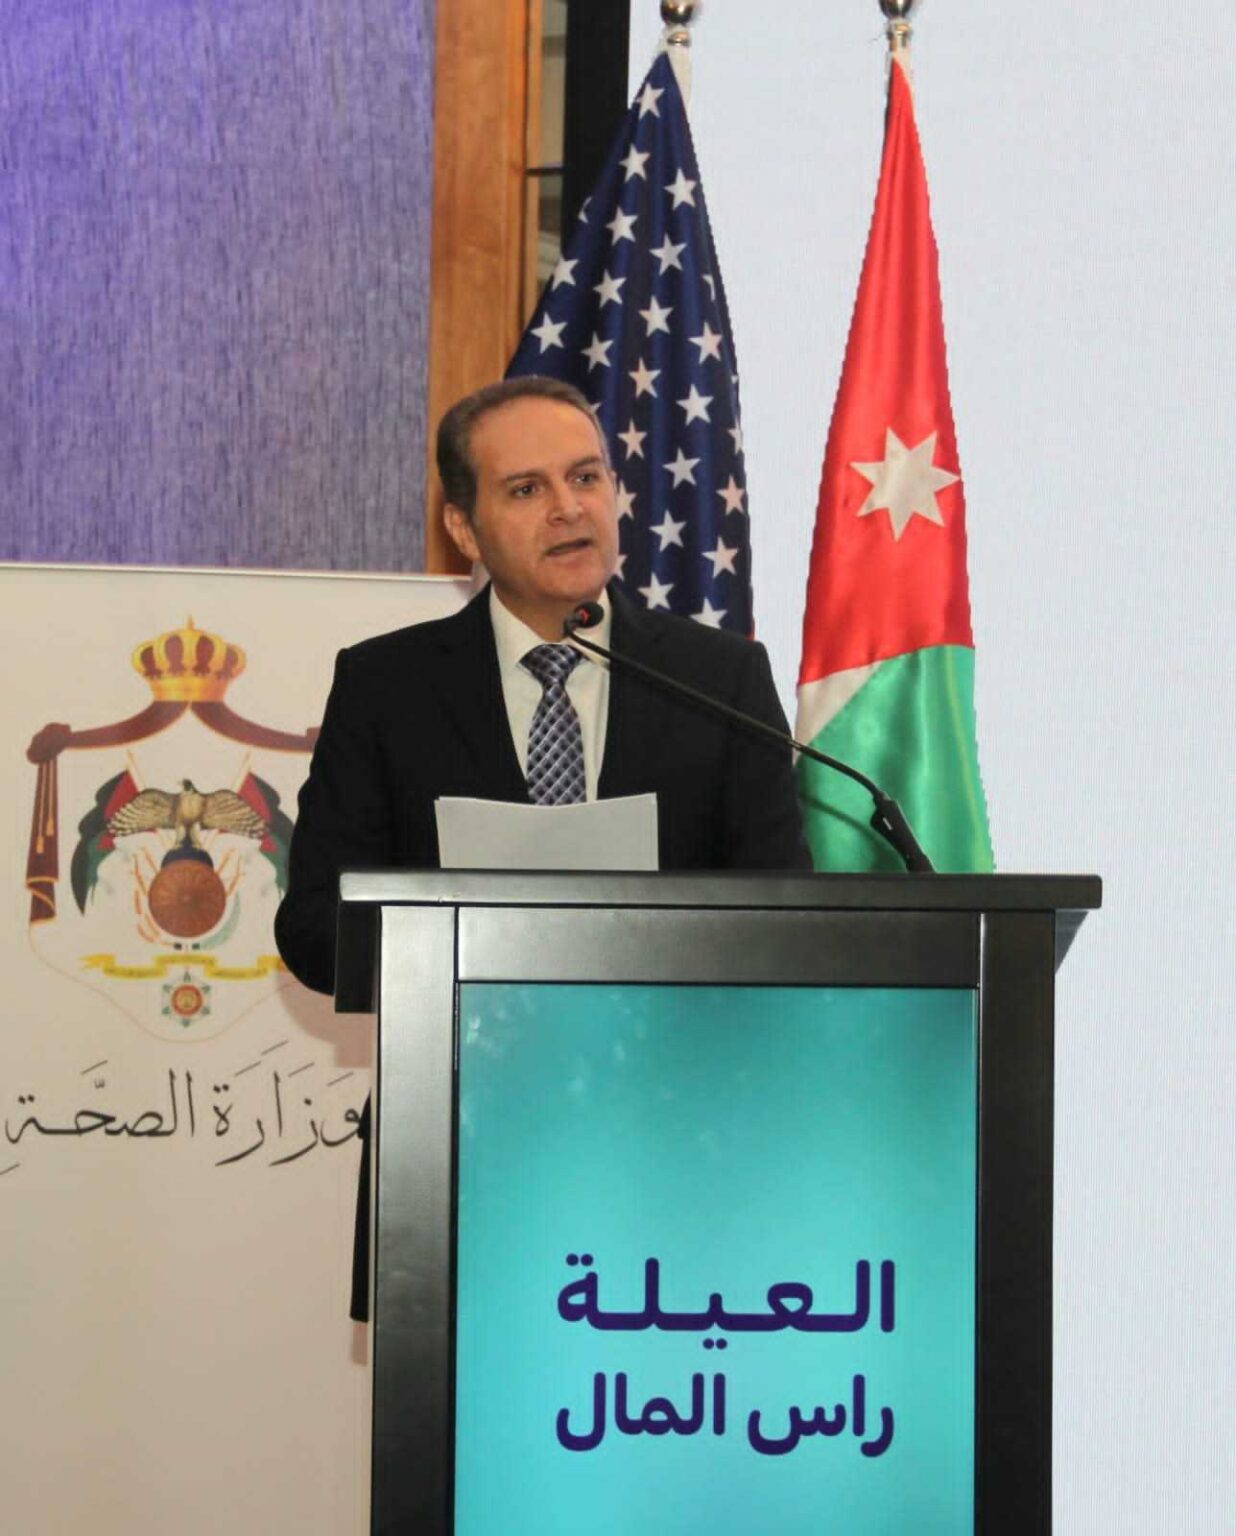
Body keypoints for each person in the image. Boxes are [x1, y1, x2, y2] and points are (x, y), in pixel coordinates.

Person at [274, 375, 811, 1316]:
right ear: (465, 528)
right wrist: (455, 930)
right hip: (459, 1145)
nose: (569, 508)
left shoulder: (719, 677)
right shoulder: (386, 688)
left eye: (586, 477)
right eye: (526, 489)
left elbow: (784, 914)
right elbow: (314, 927)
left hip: (680, 1148)